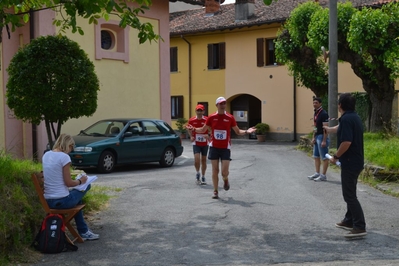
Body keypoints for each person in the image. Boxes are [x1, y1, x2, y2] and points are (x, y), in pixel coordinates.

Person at [187, 96, 256, 199]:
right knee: (215, 170)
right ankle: (215, 191)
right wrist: (194, 129)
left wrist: (246, 131)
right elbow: (202, 129)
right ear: (217, 105)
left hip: (225, 147)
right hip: (214, 147)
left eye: (224, 103)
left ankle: (226, 179)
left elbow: (237, 131)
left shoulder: (230, 117)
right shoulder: (211, 117)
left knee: (224, 171)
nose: (223, 105)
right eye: (221, 103)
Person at [42, 133, 99, 241]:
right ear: (68, 145)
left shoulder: (46, 155)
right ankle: (83, 231)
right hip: (62, 201)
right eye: (71, 147)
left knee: (77, 197)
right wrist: (80, 181)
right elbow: (69, 183)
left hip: (48, 201)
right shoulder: (64, 157)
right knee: (86, 186)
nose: (71, 150)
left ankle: (84, 231)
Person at [324, 93, 366, 238]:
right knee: (351, 193)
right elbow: (340, 127)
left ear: (340, 105)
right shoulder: (353, 117)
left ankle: (360, 226)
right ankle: (349, 220)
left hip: (350, 163)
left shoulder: (347, 119)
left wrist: (335, 156)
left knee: (349, 196)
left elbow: (346, 142)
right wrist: (330, 130)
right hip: (356, 161)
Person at [307, 97, 330, 182]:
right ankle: (317, 173)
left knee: (324, 157)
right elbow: (315, 126)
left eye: (316, 103)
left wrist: (324, 140)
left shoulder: (323, 114)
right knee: (316, 156)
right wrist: (313, 137)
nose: (314, 104)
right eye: (313, 103)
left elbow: (326, 128)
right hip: (317, 136)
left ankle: (323, 175)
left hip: (321, 136)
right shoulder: (316, 113)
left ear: (320, 103)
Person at [188, 104, 209, 185]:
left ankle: (203, 176)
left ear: (203, 111)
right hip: (196, 142)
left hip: (205, 142)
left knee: (203, 160)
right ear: (195, 111)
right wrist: (191, 136)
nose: (199, 112)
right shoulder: (192, 120)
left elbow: (211, 128)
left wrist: (209, 135)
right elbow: (189, 129)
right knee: (197, 159)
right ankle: (197, 173)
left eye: (201, 110)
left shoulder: (207, 119)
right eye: (198, 110)